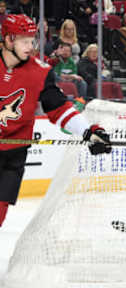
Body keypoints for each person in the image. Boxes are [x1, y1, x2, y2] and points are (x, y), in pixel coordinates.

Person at [0, 15, 112, 227]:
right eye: (23, 41)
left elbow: (59, 109)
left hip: (12, 155)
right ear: (7, 40)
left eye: (32, 40)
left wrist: (89, 132)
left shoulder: (40, 72)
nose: (30, 46)